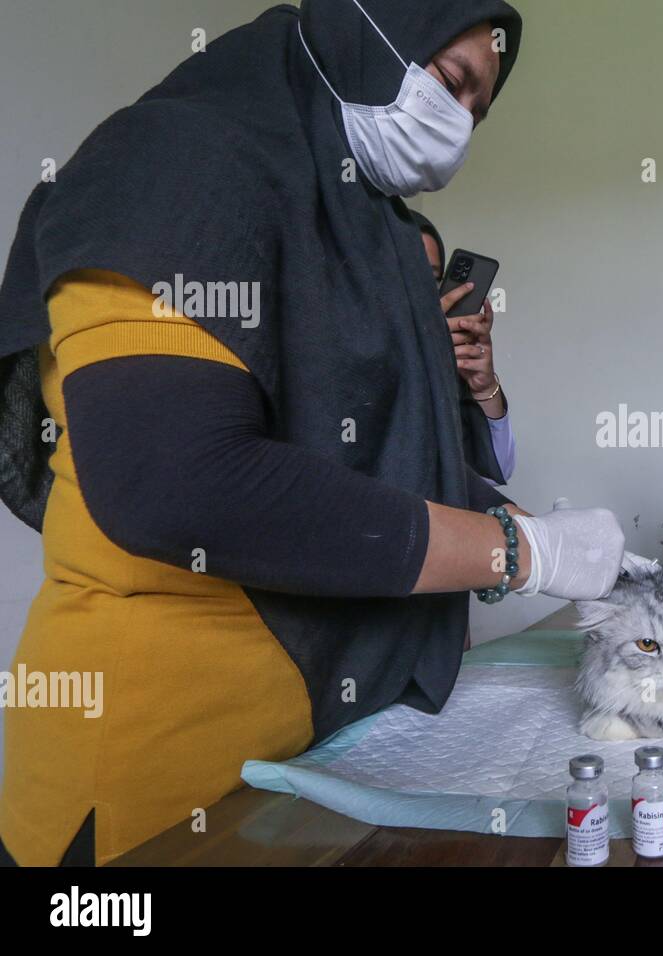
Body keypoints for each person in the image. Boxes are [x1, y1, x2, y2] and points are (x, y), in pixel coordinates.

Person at [0, 0, 625, 866]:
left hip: (315, 754)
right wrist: (519, 553)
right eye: (451, 85)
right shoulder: (178, 157)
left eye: (477, 112)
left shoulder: (374, 232)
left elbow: (373, 461)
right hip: (151, 784)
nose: (457, 129)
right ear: (368, 24)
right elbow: (176, 484)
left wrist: (529, 522)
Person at [408, 209, 516, 485]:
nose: (421, 292)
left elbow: (496, 473)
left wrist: (484, 388)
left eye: (432, 279)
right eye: (406, 274)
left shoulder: (452, 362)